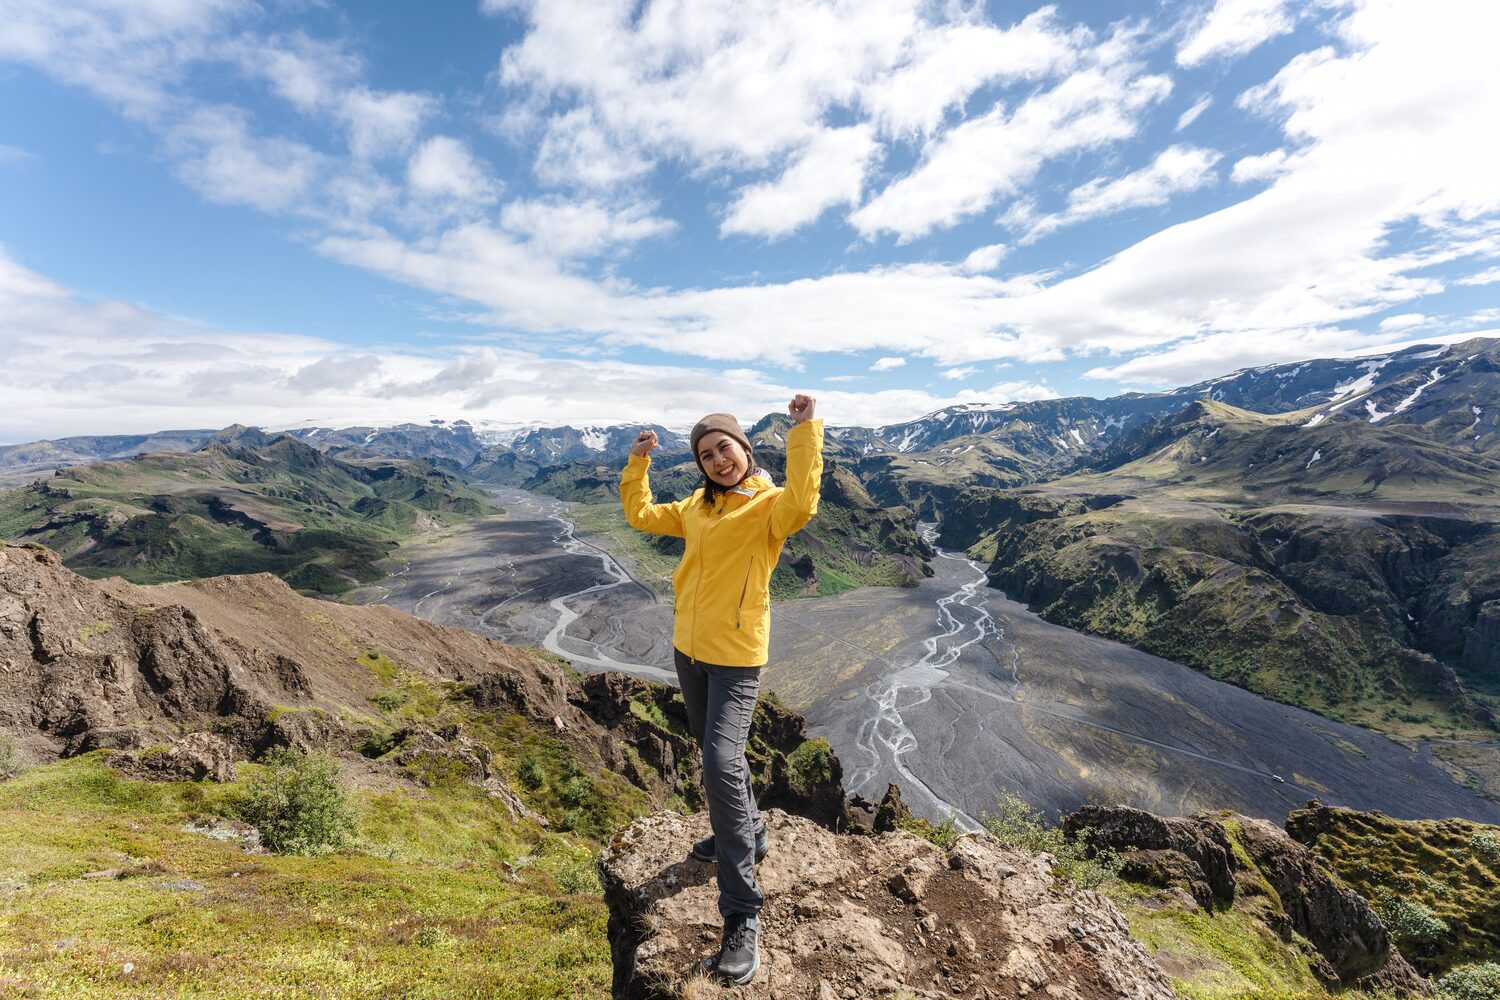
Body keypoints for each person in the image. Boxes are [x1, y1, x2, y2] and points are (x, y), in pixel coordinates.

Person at [620, 393, 823, 985]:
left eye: (724, 449)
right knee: (715, 756)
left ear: (744, 449)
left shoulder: (767, 508)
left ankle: (742, 914)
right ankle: (751, 832)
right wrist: (638, 465)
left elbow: (803, 500)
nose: (717, 460)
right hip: (690, 650)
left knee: (719, 761)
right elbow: (642, 516)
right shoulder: (697, 509)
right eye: (706, 455)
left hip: (736, 658)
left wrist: (806, 430)